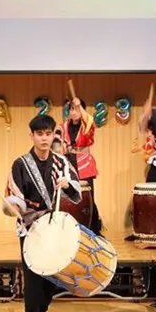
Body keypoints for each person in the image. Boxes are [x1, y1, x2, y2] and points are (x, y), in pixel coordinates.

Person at [2, 114, 82, 312]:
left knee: (52, 274)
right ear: (32, 136)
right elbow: (14, 196)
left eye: (48, 133)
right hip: (31, 226)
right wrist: (13, 207)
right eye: (40, 134)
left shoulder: (61, 162)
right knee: (34, 275)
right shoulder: (21, 164)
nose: (44, 138)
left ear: (53, 134)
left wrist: (67, 184)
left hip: (54, 225)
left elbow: (75, 188)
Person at [60, 97, 104, 235]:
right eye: (72, 109)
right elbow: (58, 141)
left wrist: (81, 107)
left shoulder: (86, 124)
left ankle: (93, 228)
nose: (74, 112)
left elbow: (89, 121)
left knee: (88, 198)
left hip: (84, 163)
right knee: (69, 196)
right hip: (68, 162)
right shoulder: (63, 126)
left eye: (77, 109)